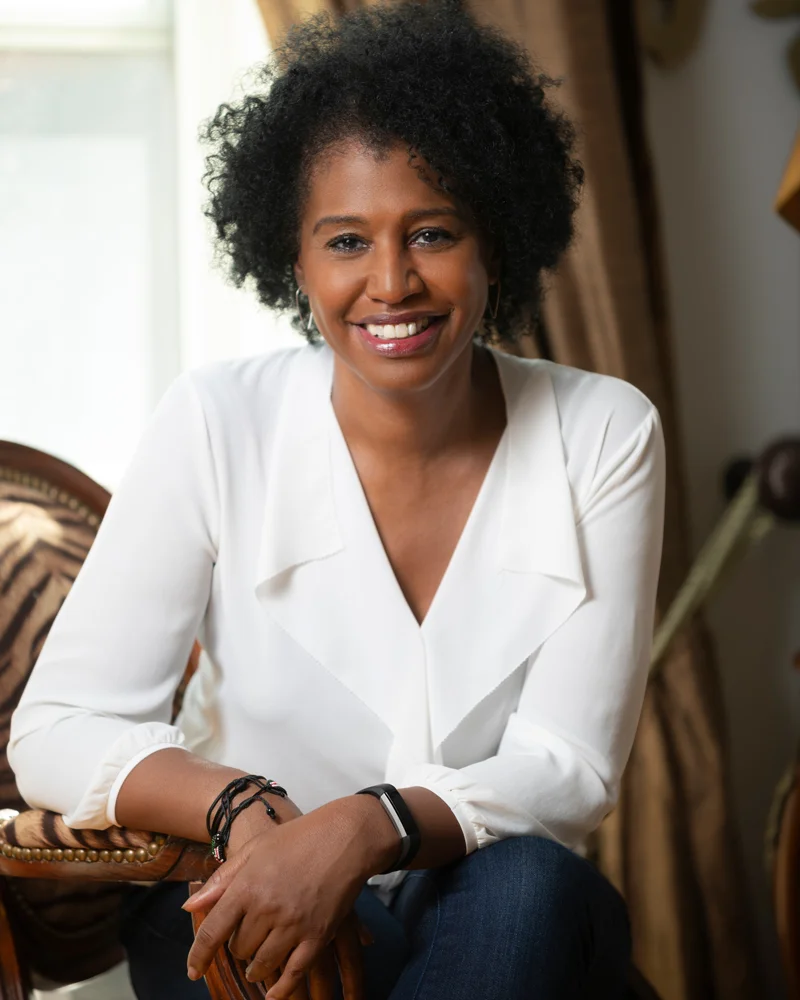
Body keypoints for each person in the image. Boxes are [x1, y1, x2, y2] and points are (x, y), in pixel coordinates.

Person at [8, 3, 665, 999]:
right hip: (240, 886)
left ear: (493, 243)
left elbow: (569, 764)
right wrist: (241, 807)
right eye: (347, 240)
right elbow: (59, 726)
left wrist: (364, 825)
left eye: (432, 232)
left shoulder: (604, 432)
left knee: (530, 885)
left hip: (487, 902)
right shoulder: (217, 419)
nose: (391, 282)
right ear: (296, 260)